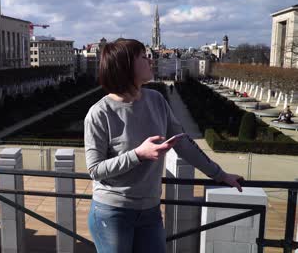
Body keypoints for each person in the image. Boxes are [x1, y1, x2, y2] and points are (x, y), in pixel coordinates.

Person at [84, 39, 243, 253]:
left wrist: (220, 175)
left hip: (150, 211)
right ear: (125, 65)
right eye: (143, 57)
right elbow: (95, 170)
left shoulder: (156, 99)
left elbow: (183, 143)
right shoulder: (99, 113)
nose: (150, 61)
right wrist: (138, 154)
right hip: (113, 213)